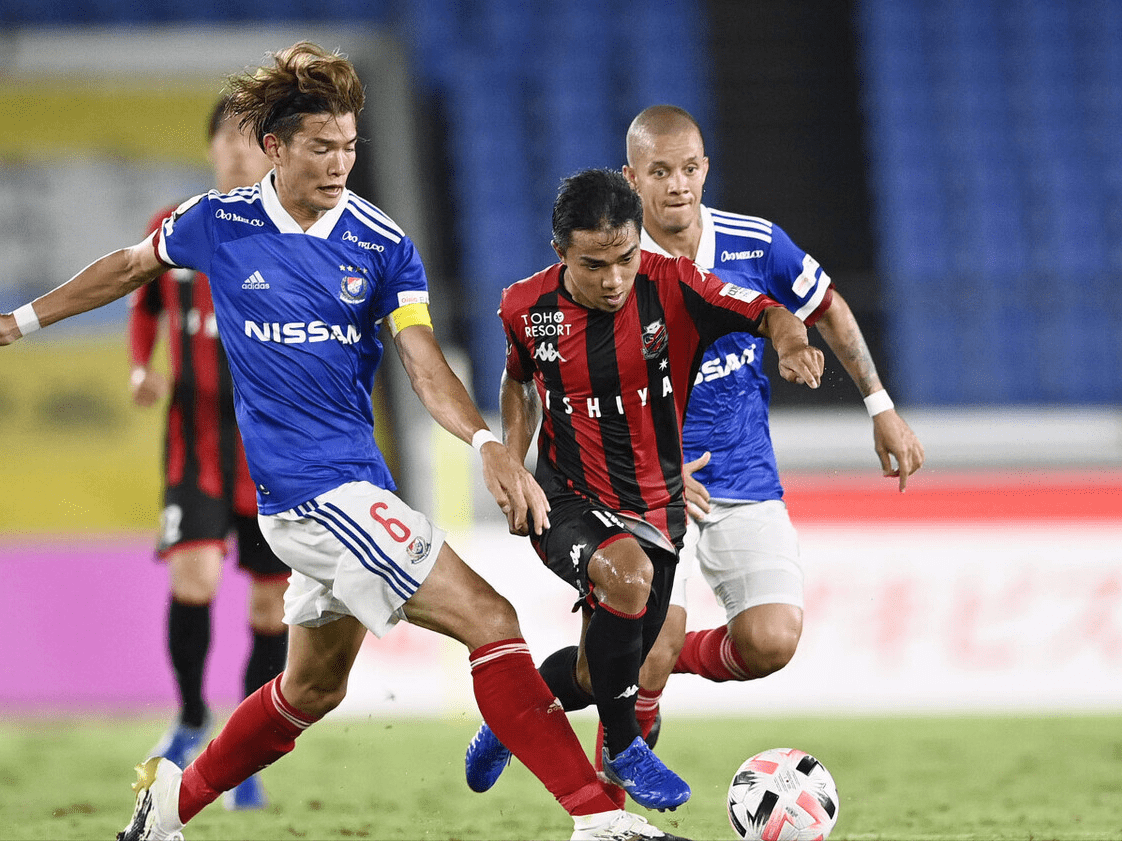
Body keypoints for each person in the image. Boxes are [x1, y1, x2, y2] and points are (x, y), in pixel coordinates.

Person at [0, 43, 690, 841]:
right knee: (490, 618)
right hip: (305, 492)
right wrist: (20, 322)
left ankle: (169, 806)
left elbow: (423, 360)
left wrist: (484, 444)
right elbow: (128, 267)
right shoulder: (217, 222)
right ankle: (598, 821)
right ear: (276, 147)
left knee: (311, 688)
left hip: (360, 485)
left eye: (350, 146)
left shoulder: (380, 242)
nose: (339, 163)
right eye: (322, 147)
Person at [463, 168, 825, 811]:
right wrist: (513, 465)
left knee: (597, 670)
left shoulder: (674, 286)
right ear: (560, 253)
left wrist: (793, 338)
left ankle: (509, 722)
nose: (613, 279)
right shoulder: (525, 306)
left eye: (625, 257)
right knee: (626, 578)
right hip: (566, 497)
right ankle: (627, 749)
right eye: (593, 264)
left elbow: (764, 311)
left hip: (657, 505)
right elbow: (518, 382)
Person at [618, 104, 925, 769]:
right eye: (660, 171)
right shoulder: (613, 268)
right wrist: (650, 468)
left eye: (689, 169)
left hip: (744, 470)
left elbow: (828, 308)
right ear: (632, 178)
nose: (677, 185)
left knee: (771, 641)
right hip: (654, 482)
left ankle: (655, 668)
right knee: (651, 633)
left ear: (706, 169)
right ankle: (608, 803)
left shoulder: (755, 243)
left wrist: (880, 405)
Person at [128, 95, 286, 811]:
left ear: (272, 151)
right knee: (191, 577)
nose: (237, 148)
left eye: (251, 138)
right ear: (212, 148)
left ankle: (242, 748)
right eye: (225, 135)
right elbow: (143, 300)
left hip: (271, 444)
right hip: (194, 441)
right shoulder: (175, 227)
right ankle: (191, 715)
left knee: (270, 606)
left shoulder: (296, 231)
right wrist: (142, 366)